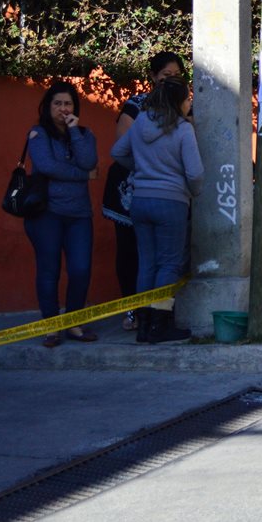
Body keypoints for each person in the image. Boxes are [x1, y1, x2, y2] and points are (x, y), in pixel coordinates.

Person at [110, 77, 203, 344]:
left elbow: (118, 151)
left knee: (147, 264)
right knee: (169, 264)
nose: (189, 104)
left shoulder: (140, 122)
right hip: (171, 201)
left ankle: (143, 324)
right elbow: (195, 172)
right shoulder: (184, 129)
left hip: (140, 201)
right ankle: (160, 324)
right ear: (178, 102)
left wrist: (140, 169)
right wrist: (191, 190)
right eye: (188, 99)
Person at [103, 51, 186, 331]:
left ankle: (151, 318)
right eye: (166, 76)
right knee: (139, 257)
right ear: (152, 77)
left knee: (151, 260)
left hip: (146, 194)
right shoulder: (136, 107)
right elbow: (121, 148)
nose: (170, 82)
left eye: (176, 76)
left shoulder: (184, 109)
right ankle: (145, 316)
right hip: (136, 193)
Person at [25, 81, 99, 348]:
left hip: (79, 215)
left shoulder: (84, 134)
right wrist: (82, 176)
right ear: (48, 106)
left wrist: (74, 132)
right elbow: (46, 167)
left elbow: (90, 161)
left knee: (80, 269)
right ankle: (51, 326)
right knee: (49, 270)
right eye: (57, 103)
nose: (63, 108)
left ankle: (74, 323)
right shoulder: (38, 134)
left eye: (68, 103)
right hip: (47, 214)